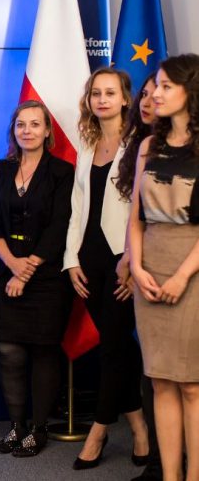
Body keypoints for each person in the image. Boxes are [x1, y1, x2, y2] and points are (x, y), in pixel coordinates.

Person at [64, 68, 149, 470]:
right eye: (96, 93)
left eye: (110, 93)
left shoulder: (141, 145)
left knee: (114, 347)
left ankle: (98, 431)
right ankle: (140, 427)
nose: (101, 99)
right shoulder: (87, 143)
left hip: (123, 260)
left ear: (125, 99)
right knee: (118, 347)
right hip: (89, 260)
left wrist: (134, 261)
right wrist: (70, 259)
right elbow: (76, 207)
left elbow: (144, 210)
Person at [0, 100, 74, 457]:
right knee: (8, 350)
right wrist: (12, 263)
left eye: (35, 124)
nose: (27, 131)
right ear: (13, 130)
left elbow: (59, 226)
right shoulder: (2, 169)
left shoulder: (62, 172)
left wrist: (27, 269)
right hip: (2, 273)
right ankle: (16, 426)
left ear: (47, 130)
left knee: (42, 351)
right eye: (21, 124)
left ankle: (38, 428)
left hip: (46, 277)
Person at [129, 53, 199, 481]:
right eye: (156, 84)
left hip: (191, 269)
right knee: (160, 381)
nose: (155, 93)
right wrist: (137, 268)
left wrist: (183, 275)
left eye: (166, 86)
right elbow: (136, 219)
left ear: (191, 91)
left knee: (192, 384)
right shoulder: (147, 146)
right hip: (149, 269)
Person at [116, 73, 165, 481]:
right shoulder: (139, 147)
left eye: (159, 92)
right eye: (145, 94)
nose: (149, 101)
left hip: (174, 266)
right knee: (153, 373)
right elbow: (135, 215)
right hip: (140, 267)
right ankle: (160, 463)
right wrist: (131, 261)